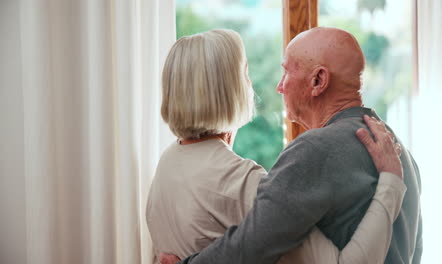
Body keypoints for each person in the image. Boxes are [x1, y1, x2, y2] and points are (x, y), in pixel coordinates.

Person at [146, 29, 410, 264]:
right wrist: (391, 183)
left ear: (318, 81)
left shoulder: (164, 166)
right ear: (232, 91)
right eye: (245, 75)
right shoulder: (401, 155)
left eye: (286, 71)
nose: (278, 86)